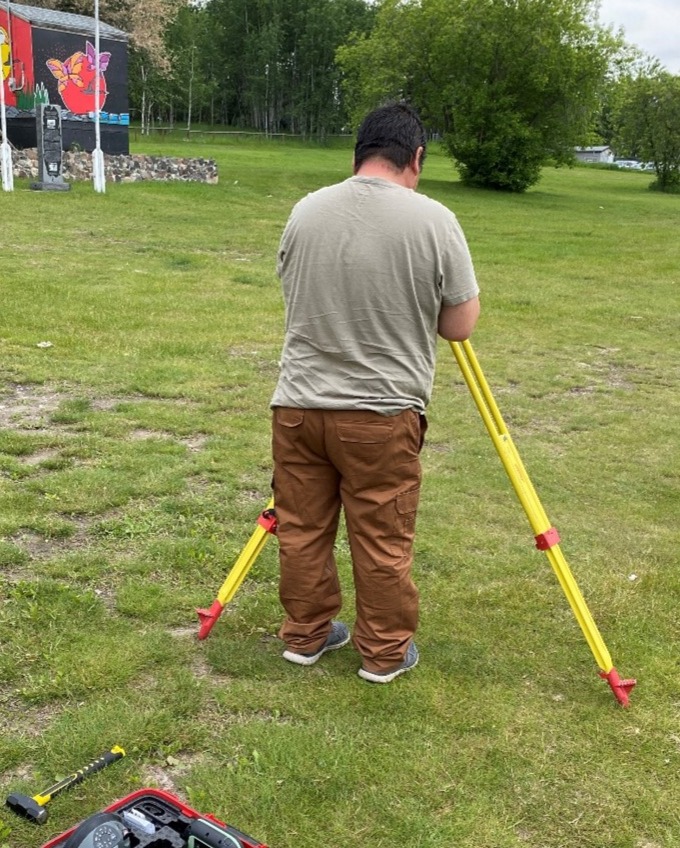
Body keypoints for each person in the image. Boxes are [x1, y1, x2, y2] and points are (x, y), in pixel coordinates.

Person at [270, 102, 480, 683]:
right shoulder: (434, 219)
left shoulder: (306, 210)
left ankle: (306, 637)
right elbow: (459, 325)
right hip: (381, 412)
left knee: (302, 528)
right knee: (382, 534)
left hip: (297, 406)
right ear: (416, 157)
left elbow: (291, 290)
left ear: (358, 152)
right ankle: (384, 653)